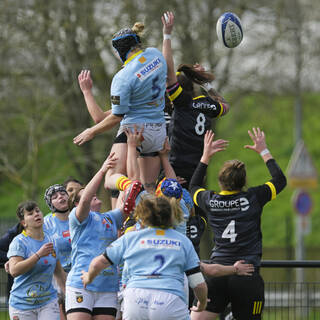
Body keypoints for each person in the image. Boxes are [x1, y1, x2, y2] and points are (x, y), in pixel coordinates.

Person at [189, 128, 287, 320]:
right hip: (246, 275)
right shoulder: (253, 198)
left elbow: (193, 186)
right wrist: (263, 150)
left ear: (220, 181)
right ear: (244, 181)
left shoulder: (210, 200)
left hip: (216, 274)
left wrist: (205, 156)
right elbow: (280, 180)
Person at [74, 19, 168, 193]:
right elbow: (110, 114)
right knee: (148, 188)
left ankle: (129, 186)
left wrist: (91, 131)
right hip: (159, 132)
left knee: (111, 179)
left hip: (135, 130)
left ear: (119, 52)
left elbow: (116, 117)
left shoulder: (123, 77)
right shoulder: (156, 55)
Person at [81, 195, 208, 319]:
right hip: (169, 300)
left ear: (143, 216)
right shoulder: (183, 241)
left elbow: (97, 263)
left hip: (136, 300)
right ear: (171, 215)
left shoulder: (130, 238)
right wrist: (202, 303)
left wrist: (88, 277)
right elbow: (198, 283)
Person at [161, 11, 230, 189]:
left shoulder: (181, 102)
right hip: (200, 168)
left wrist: (167, 35)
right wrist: (206, 84)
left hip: (177, 169)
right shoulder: (206, 104)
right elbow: (225, 106)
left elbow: (169, 75)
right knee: (197, 210)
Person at [65, 152, 125, 320]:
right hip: (81, 283)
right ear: (77, 204)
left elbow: (127, 200)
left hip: (108, 287)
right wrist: (102, 170)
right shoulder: (78, 218)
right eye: (86, 194)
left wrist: (131, 153)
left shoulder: (110, 217)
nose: (92, 194)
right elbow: (84, 201)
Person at [7, 200, 66, 320]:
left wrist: (68, 294)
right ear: (24, 222)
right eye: (30, 213)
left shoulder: (52, 240)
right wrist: (38, 255)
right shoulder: (19, 242)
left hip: (48, 301)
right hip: (21, 304)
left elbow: (59, 272)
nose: (36, 214)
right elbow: (14, 270)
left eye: (37, 211)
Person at [0, 222, 23, 300]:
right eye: (30, 214)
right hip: (17, 291)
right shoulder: (13, 234)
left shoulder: (45, 233)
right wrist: (14, 258)